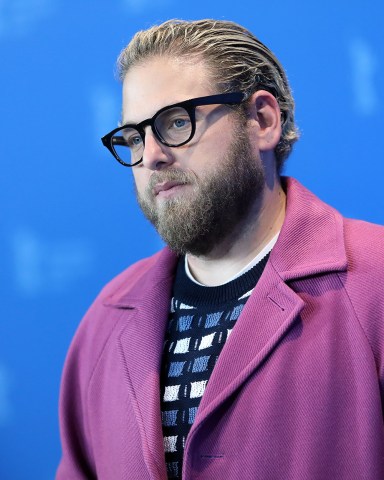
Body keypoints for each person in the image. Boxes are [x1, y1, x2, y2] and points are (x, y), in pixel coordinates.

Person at [56, 19, 384, 480]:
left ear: (263, 121)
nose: (151, 156)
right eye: (134, 136)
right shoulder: (105, 322)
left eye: (175, 122)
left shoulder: (376, 283)